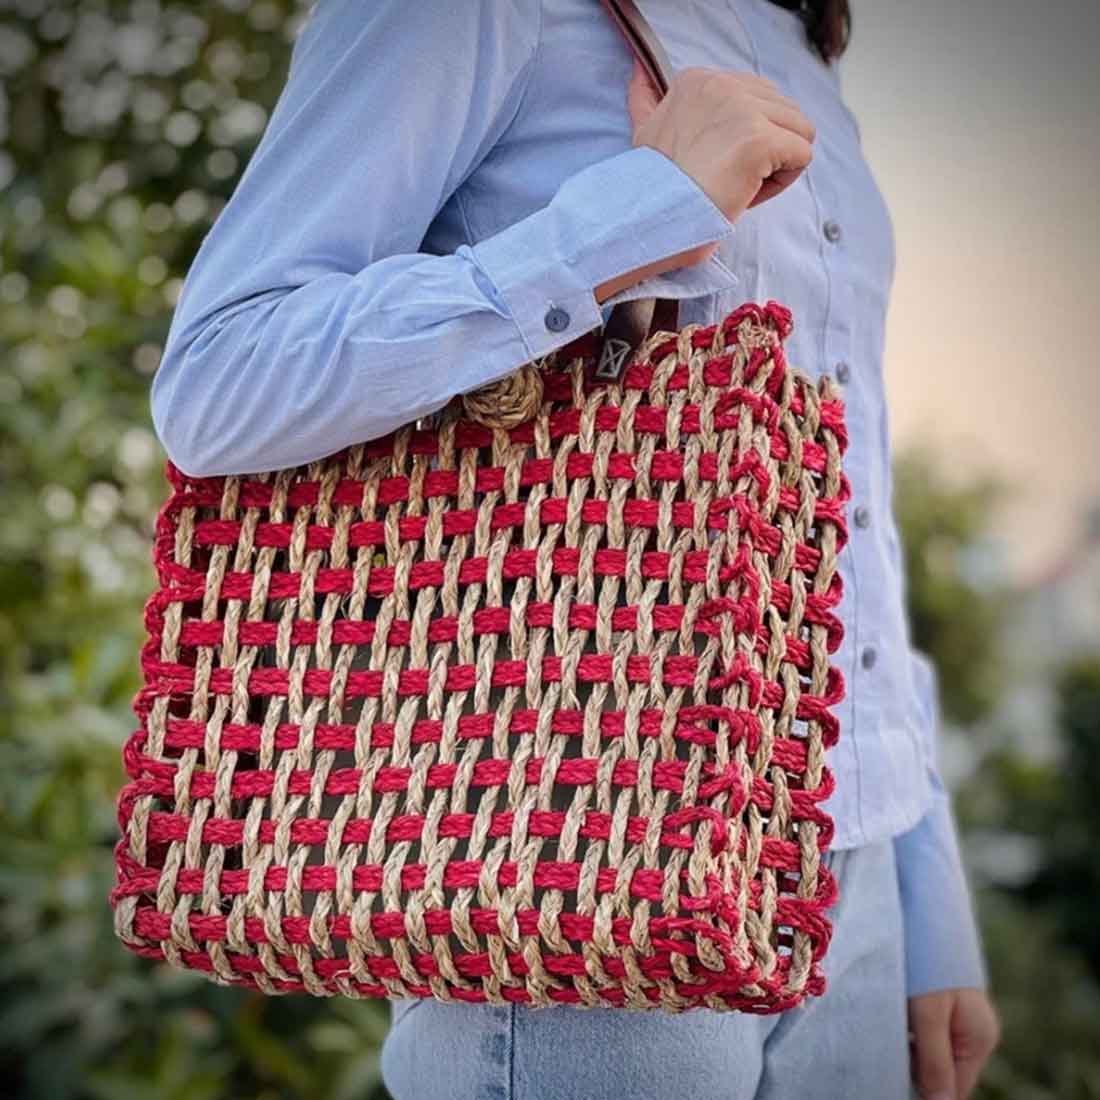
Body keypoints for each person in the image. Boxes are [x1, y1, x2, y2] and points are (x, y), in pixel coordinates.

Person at [149, 0, 1002, 1096]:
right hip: (577, 834)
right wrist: (632, 217)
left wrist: (926, 893)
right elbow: (219, 379)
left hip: (846, 860)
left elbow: (849, 492)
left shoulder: (795, 41)